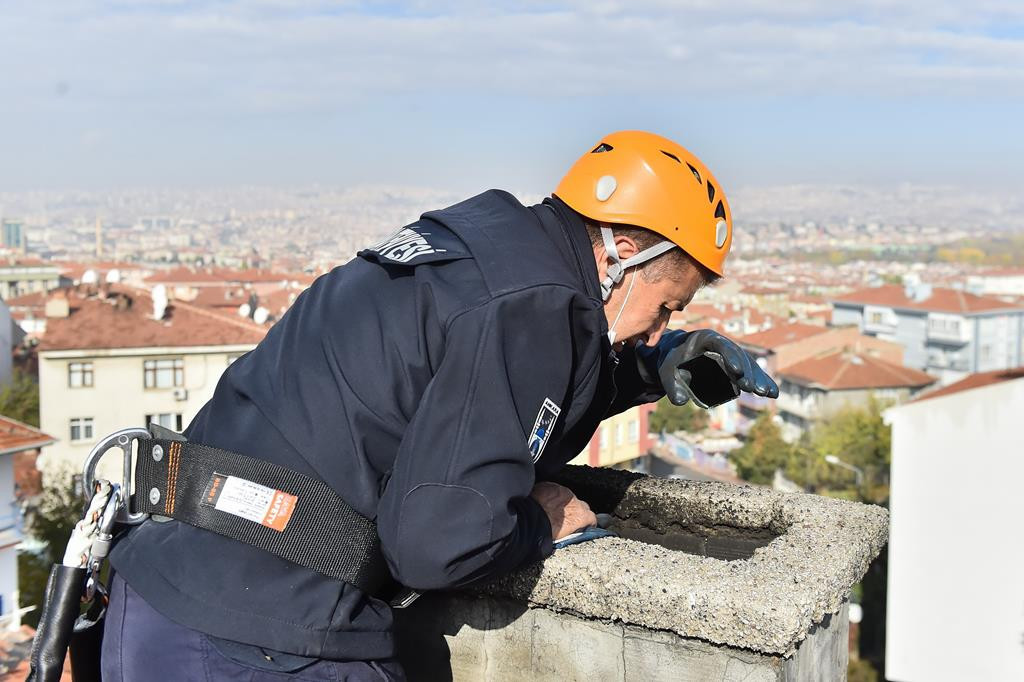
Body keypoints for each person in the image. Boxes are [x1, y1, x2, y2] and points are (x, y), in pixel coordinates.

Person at [100, 130, 778, 680]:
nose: (660, 329)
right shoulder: (538, 308)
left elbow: (495, 396)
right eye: (668, 308)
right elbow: (439, 544)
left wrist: (647, 369)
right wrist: (540, 522)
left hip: (160, 595)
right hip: (266, 640)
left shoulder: (489, 243)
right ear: (622, 255)